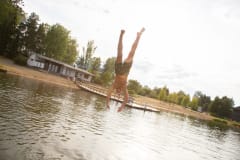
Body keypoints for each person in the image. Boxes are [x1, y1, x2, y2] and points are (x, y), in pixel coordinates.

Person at [106, 28, 145, 112]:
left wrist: (107, 103)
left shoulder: (115, 85)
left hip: (118, 70)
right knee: (132, 53)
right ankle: (138, 36)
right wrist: (122, 107)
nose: (119, 92)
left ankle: (121, 35)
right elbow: (126, 98)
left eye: (117, 92)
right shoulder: (124, 87)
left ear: (116, 90)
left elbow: (109, 94)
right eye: (119, 93)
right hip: (126, 70)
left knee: (119, 53)